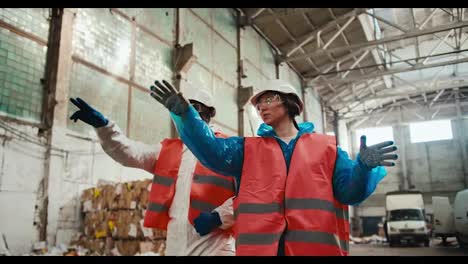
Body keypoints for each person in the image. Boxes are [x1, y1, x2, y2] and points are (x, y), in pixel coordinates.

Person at [148, 79, 399, 256]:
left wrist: (363, 168)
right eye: (258, 105)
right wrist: (185, 115)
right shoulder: (248, 149)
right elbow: (212, 152)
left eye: (268, 99)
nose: (262, 107)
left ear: (290, 103)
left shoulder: (327, 148)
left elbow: (349, 193)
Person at [69, 88, 236, 256]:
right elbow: (132, 153)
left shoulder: (228, 148)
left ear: (209, 112)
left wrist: (220, 216)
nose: (188, 113)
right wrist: (104, 127)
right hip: (176, 243)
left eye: (194, 108)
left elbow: (248, 195)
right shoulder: (170, 150)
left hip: (215, 244)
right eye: (185, 108)